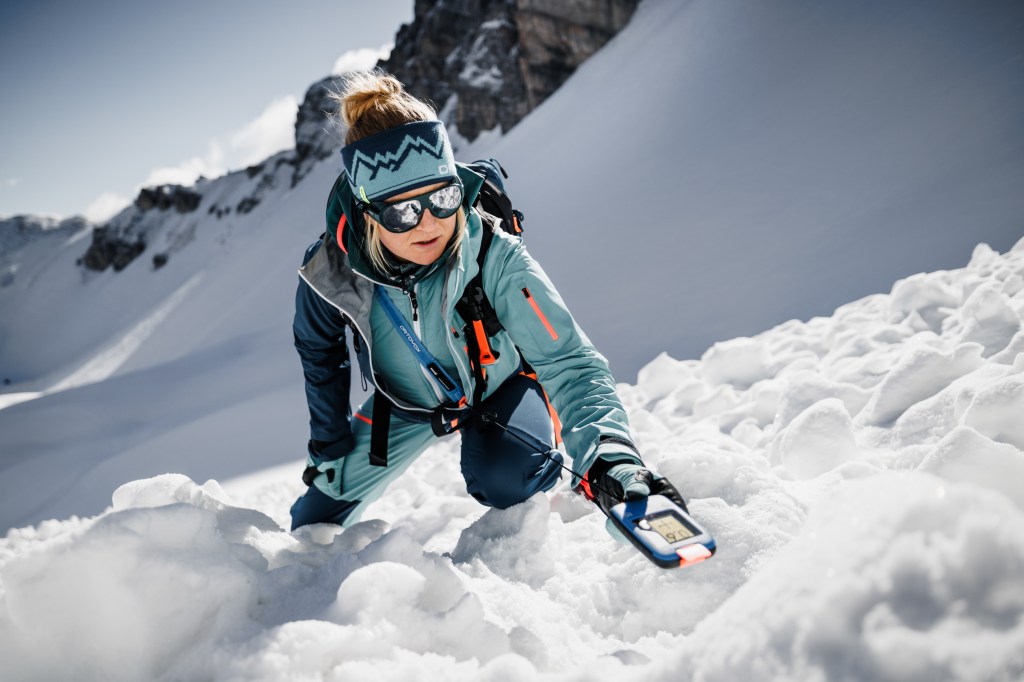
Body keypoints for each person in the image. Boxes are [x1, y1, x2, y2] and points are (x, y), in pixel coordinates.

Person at [290, 71, 684, 533]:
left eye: (443, 196)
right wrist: (329, 442)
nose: (429, 224)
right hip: (406, 402)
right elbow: (319, 351)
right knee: (311, 523)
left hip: (496, 387)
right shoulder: (331, 273)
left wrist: (612, 460)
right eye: (403, 210)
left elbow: (570, 362)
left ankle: (533, 432)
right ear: (369, 214)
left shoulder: (491, 250)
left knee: (508, 476)